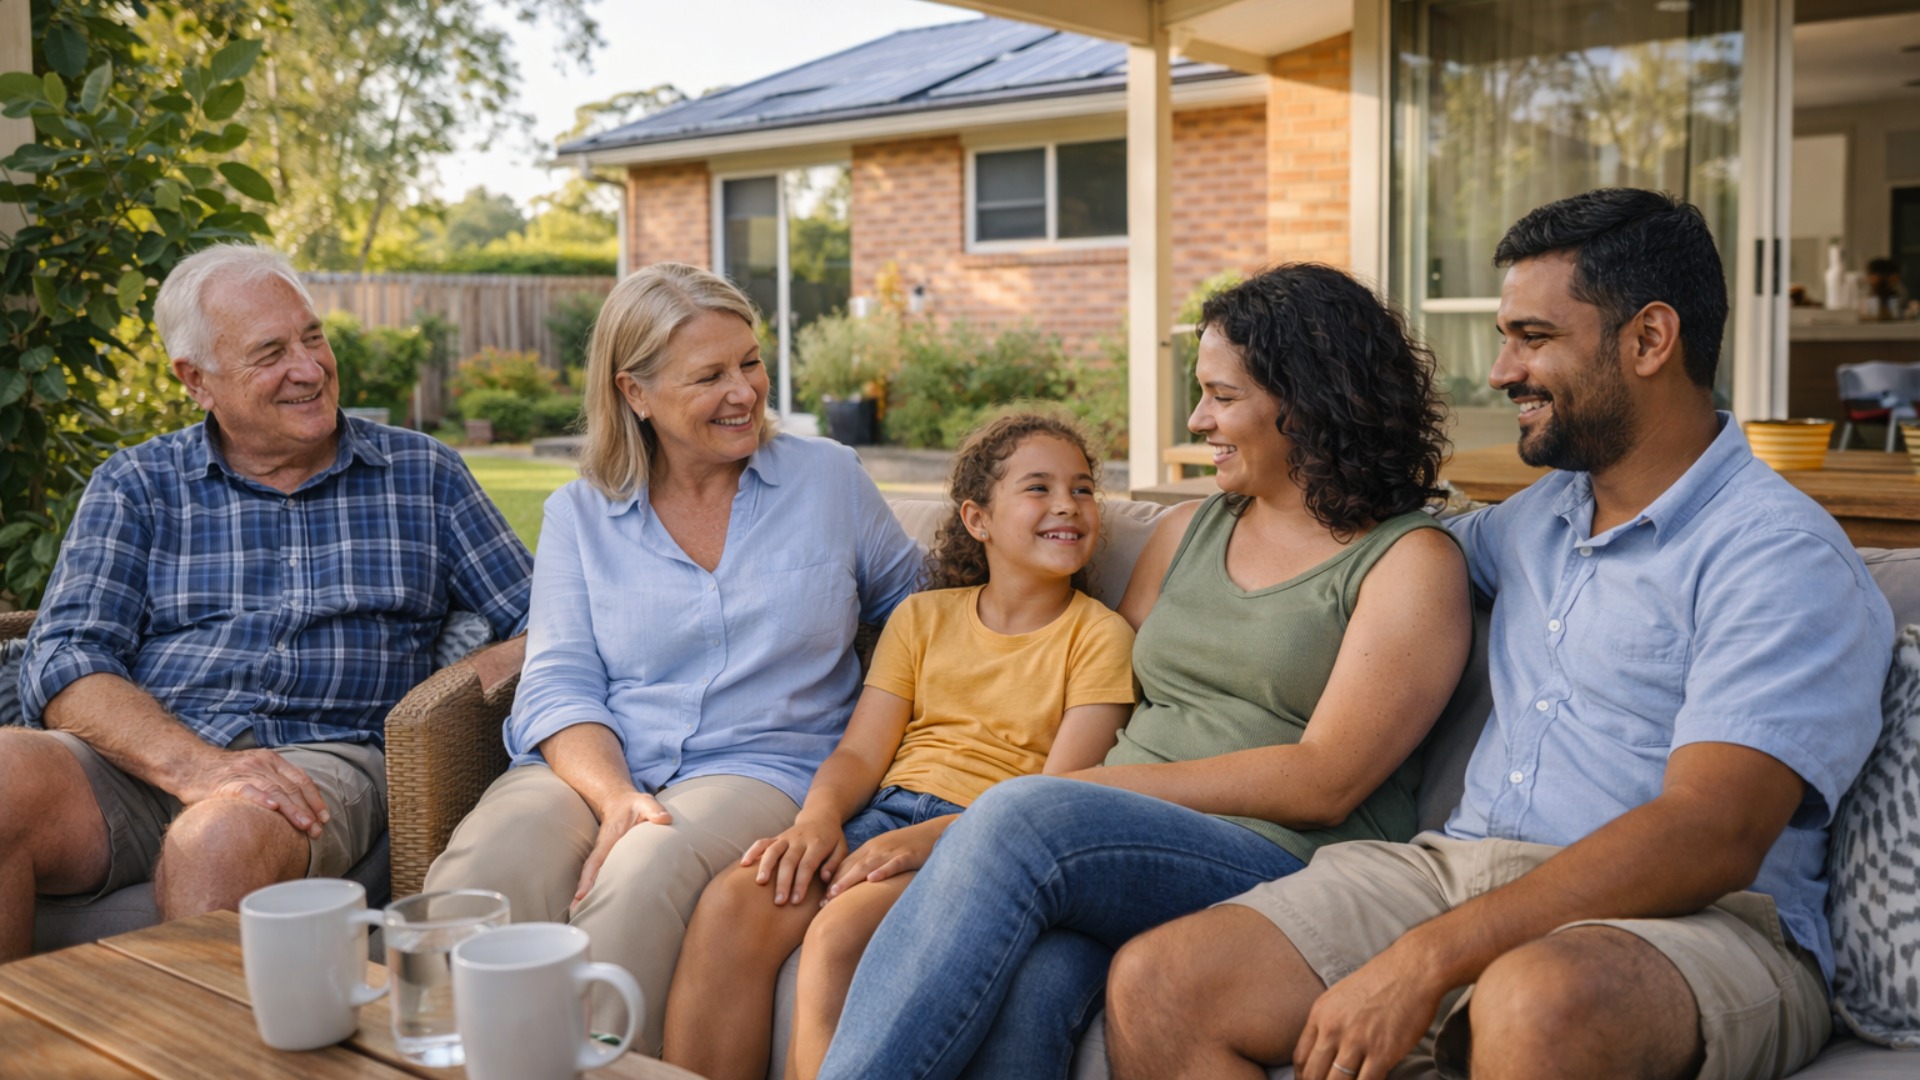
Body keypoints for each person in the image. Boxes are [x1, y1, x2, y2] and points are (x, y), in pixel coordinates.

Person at [1104, 190, 1894, 1080]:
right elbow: (1362, 546)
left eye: (1534, 336)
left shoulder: (1776, 556)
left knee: (1533, 1002)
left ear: (1649, 339)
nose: (1502, 368)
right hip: (1457, 870)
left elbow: (1709, 833)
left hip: (1699, 921)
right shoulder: (1531, 521)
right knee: (1164, 981)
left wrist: (1427, 958)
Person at [817, 264, 1475, 1080]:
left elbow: (1325, 780)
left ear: (1307, 403)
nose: (1197, 420)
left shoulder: (1409, 560)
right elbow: (1096, 695)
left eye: (1222, 396)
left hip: (1277, 851)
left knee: (1022, 823)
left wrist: (1075, 800)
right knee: (1037, 980)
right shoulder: (1186, 530)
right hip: (1107, 837)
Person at [421, 262, 922, 1054]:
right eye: (710, 375)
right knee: (485, 870)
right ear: (635, 392)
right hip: (594, 760)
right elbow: (558, 676)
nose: (745, 392)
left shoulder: (827, 479)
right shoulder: (580, 513)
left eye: (751, 363)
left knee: (641, 877)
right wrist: (615, 795)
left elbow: (920, 613)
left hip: (763, 763)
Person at [0, 243, 533, 960]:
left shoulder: (422, 474)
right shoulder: (137, 484)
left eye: (313, 337)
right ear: (197, 379)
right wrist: (194, 765)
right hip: (147, 755)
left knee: (221, 832)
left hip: (322, 760)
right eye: (271, 352)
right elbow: (65, 655)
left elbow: (547, 615)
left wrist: (481, 669)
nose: (310, 369)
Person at [663, 411, 1137, 1080]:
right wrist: (818, 820)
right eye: (1038, 488)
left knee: (839, 933)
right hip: (882, 816)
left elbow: (1051, 802)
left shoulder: (1099, 637)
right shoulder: (922, 617)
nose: (1068, 504)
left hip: (986, 846)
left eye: (1084, 488)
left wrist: (919, 843)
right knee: (732, 905)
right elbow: (860, 753)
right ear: (978, 519)